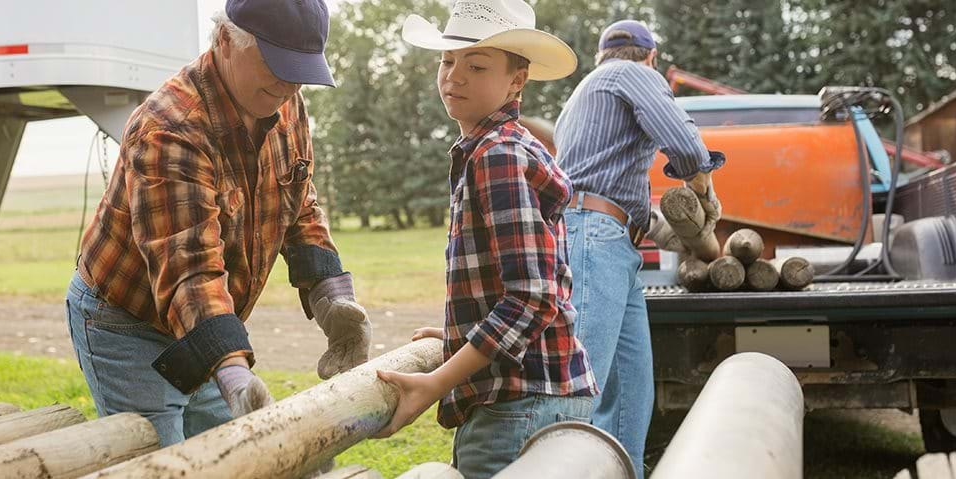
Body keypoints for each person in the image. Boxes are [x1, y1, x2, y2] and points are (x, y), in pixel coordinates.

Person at [65, 0, 372, 447]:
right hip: (127, 321)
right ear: (226, 39)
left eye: (299, 70)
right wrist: (232, 372)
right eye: (278, 66)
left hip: (207, 315)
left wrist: (332, 298)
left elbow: (299, 204)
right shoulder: (169, 127)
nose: (289, 86)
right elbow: (189, 269)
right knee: (164, 460)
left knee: (232, 453)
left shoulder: (285, 101)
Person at [373, 2, 597, 478]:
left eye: (476, 66)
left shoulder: (496, 155)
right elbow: (520, 283)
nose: (455, 77)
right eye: (447, 61)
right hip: (533, 396)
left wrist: (434, 382)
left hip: (515, 408)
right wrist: (462, 333)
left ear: (517, 80)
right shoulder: (503, 146)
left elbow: (533, 297)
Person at [553, 19, 725, 477]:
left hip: (608, 240)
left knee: (631, 392)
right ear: (651, 57)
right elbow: (686, 146)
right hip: (595, 237)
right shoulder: (634, 76)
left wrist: (675, 234)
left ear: (600, 55)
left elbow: (616, 191)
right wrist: (705, 196)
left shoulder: (585, 95)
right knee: (581, 384)